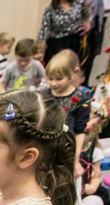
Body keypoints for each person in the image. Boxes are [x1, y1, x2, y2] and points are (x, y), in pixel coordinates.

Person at [41, 50, 91, 179]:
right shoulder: (44, 95)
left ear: (74, 73)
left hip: (67, 148)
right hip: (45, 145)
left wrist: (75, 159)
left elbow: (80, 131)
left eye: (59, 79)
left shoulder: (80, 98)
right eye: (50, 78)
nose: (53, 83)